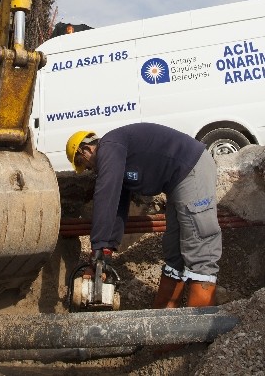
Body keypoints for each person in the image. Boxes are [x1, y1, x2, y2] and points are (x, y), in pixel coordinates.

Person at [66, 122, 221, 308]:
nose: (92, 171)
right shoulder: (117, 156)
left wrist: (97, 246)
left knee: (199, 245)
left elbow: (105, 193)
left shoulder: (109, 146)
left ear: (86, 150)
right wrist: (106, 250)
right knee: (174, 250)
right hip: (176, 181)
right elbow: (117, 203)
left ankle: (201, 324)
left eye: (87, 166)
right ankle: (164, 316)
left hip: (191, 168)